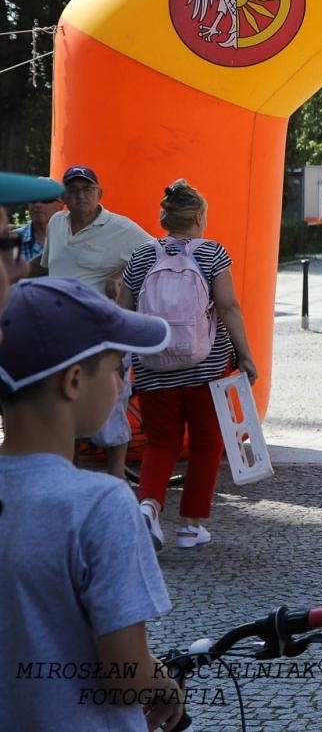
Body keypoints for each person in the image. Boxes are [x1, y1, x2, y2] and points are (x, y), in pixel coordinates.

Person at [0, 277, 184, 732]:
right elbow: (125, 675)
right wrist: (160, 679)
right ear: (74, 381)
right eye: (117, 368)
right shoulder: (100, 505)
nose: (123, 384)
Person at [117, 180, 258, 551]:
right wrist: (245, 354)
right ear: (198, 217)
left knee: (160, 443)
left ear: (165, 218)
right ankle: (191, 527)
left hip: (153, 366)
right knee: (206, 444)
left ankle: (148, 507)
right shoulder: (212, 253)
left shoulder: (140, 256)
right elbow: (228, 307)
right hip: (206, 368)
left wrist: (121, 362)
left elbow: (123, 312)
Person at [29, 165, 153, 483]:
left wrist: (121, 274)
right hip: (59, 333)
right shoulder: (57, 223)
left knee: (110, 403)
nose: (80, 195)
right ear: (64, 197)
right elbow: (45, 266)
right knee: (63, 402)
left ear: (100, 193)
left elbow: (157, 254)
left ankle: (116, 479)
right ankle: (70, 475)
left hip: (102, 335)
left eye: (87, 189)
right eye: (73, 190)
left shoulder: (120, 227)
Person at [16, 191, 64, 265]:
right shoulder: (11, 241)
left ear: (61, 205)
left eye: (46, 200)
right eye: (33, 199)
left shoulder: (73, 239)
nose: (37, 205)